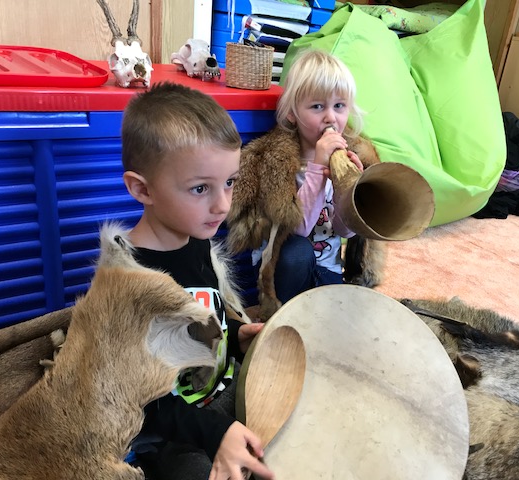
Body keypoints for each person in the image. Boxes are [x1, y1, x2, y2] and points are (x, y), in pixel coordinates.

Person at [120, 81, 275, 480]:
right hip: (172, 431)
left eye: (230, 182)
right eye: (200, 188)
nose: (222, 205)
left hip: (224, 390)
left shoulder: (197, 240)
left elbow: (207, 315)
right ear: (142, 188)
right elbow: (137, 397)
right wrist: (215, 433)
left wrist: (235, 336)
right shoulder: (125, 281)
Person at [227, 49, 385, 320]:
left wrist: (348, 190)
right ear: (292, 113)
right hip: (282, 269)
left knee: (343, 323)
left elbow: (345, 232)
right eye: (317, 107)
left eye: (339, 106)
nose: (330, 118)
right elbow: (297, 228)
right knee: (297, 251)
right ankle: (283, 318)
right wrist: (317, 169)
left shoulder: (348, 155)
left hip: (326, 269)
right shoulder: (277, 162)